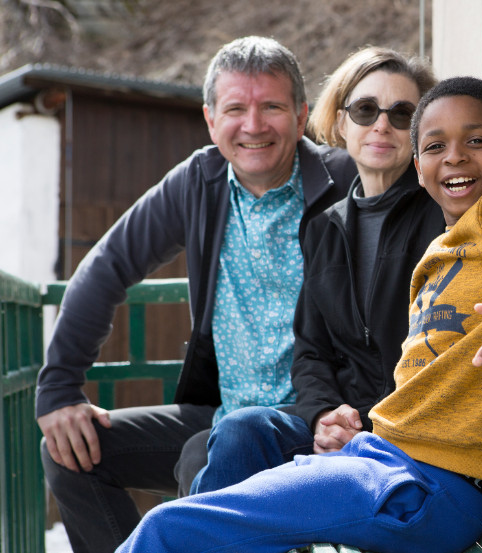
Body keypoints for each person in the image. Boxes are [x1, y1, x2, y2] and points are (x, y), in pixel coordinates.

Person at [114, 76, 482, 553]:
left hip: (418, 490)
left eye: (477, 141)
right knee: (227, 471)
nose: (455, 157)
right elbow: (320, 353)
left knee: (171, 527)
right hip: (382, 464)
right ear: (418, 168)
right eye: (435, 146)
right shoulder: (443, 252)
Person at [35, 36, 357, 553]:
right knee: (71, 451)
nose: (253, 125)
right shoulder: (198, 182)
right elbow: (107, 265)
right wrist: (59, 388)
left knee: (200, 457)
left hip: (316, 420)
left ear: (301, 117)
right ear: (210, 119)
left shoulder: (345, 179)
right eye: (235, 109)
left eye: (272, 107)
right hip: (227, 412)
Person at [188, 47, 444, 494]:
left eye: (402, 114)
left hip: (403, 435)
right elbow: (310, 351)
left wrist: (366, 426)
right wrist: (324, 414)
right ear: (341, 122)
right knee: (239, 430)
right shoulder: (325, 228)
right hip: (340, 425)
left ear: (421, 129)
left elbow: (441, 349)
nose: (381, 125)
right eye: (365, 110)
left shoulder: (441, 217)